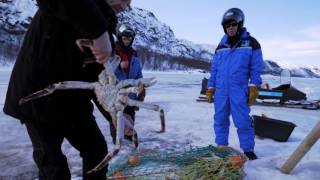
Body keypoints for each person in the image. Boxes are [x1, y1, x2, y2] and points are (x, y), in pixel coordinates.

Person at [3, 0, 131, 179]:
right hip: (38, 99)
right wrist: (97, 31)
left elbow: (101, 80)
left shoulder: (107, 32)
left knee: (96, 150)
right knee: (53, 168)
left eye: (129, 3)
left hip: (74, 102)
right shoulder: (82, 14)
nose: (125, 5)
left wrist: (116, 114)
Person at [206, 8, 264, 160]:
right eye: (227, 25)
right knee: (220, 119)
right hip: (221, 91)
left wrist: (254, 85)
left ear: (239, 24)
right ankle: (221, 147)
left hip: (239, 89)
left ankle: (248, 150)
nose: (230, 28)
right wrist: (211, 87)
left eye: (233, 24)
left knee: (243, 120)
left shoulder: (251, 43)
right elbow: (215, 69)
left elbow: (256, 68)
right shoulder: (221, 46)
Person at [94, 23, 145, 145]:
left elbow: (139, 76)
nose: (127, 40)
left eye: (129, 38)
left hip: (131, 98)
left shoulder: (135, 56)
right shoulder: (111, 53)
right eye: (124, 38)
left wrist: (142, 88)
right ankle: (120, 149)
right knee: (118, 128)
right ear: (120, 37)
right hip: (115, 99)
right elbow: (103, 75)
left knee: (129, 126)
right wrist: (118, 65)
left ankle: (132, 151)